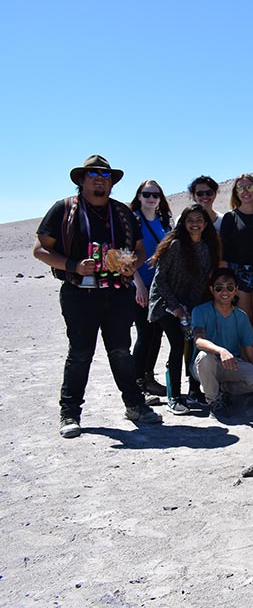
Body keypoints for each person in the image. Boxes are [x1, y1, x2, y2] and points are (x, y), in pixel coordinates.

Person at [33, 155, 162, 437]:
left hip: (117, 294)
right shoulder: (64, 209)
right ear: (82, 179)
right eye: (93, 173)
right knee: (80, 353)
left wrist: (131, 263)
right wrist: (73, 266)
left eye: (105, 174)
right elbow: (40, 250)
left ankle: (135, 405)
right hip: (79, 294)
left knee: (120, 352)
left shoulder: (122, 213)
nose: (100, 178)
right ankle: (69, 413)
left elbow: (140, 249)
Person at [148, 204, 220, 414]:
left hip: (189, 305)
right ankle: (174, 396)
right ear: (183, 223)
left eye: (199, 220)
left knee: (194, 344)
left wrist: (190, 309)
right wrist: (175, 306)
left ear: (206, 224)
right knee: (177, 345)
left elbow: (200, 282)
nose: (195, 224)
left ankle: (194, 392)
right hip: (164, 303)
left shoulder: (207, 248)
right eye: (190, 220)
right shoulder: (175, 245)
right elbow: (160, 279)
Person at [191, 268, 253, 421]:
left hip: (232, 364)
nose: (224, 292)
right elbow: (199, 341)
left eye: (230, 287)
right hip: (206, 365)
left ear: (236, 290)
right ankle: (214, 402)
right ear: (212, 290)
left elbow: (250, 349)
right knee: (205, 356)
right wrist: (221, 351)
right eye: (219, 288)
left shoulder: (241, 316)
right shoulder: (200, 311)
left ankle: (223, 390)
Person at [220, 174, 253, 374]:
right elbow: (224, 251)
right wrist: (225, 281)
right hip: (238, 274)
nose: (246, 191)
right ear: (236, 193)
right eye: (241, 188)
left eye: (249, 187)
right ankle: (246, 371)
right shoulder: (230, 218)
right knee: (243, 323)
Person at [129, 179, 172, 399]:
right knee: (145, 333)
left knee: (157, 332)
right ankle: (137, 385)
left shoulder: (164, 220)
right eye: (146, 194)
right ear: (139, 197)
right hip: (140, 284)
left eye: (155, 194)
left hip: (160, 285)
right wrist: (137, 284)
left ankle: (148, 378)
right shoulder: (132, 221)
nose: (151, 198)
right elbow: (126, 255)